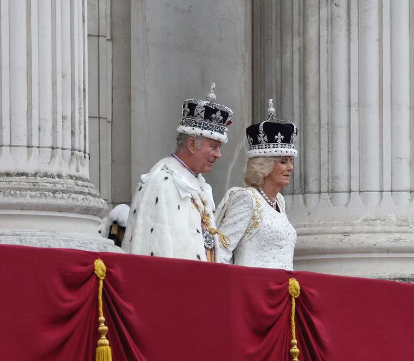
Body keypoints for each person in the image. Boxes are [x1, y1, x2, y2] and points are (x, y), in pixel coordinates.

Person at [122, 84, 233, 261]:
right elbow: (153, 252)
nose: (219, 155)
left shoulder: (201, 186)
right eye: (213, 147)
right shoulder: (161, 182)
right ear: (191, 144)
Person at [215, 100, 297, 269]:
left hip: (282, 291)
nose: (290, 167)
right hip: (252, 290)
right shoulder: (246, 198)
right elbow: (221, 251)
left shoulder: (279, 201)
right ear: (264, 166)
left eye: (290, 161)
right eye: (283, 161)